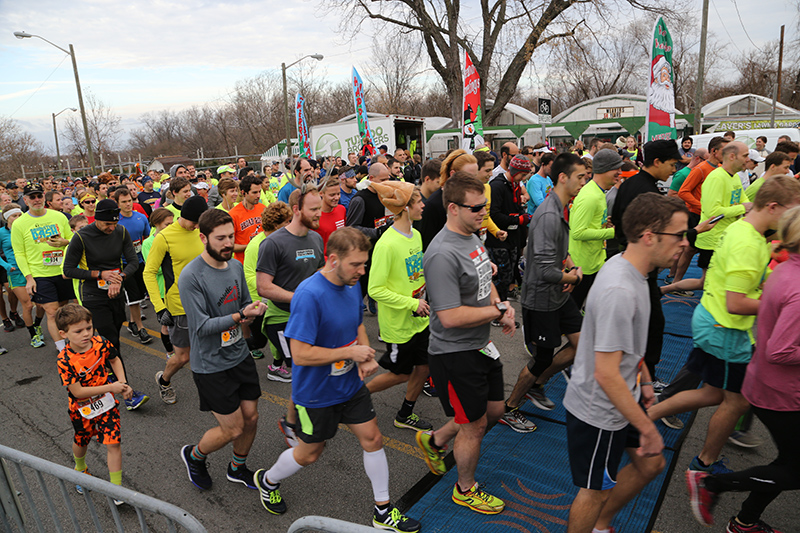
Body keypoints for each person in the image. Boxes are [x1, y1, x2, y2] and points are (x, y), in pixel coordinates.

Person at [253, 226, 420, 532]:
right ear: (332, 260)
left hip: (349, 385)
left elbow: (357, 323)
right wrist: (351, 352)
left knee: (373, 438)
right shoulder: (309, 294)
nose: (362, 270)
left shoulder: (351, 283)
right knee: (309, 454)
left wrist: (364, 354)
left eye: (364, 263)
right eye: (356, 264)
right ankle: (267, 479)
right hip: (315, 393)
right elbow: (300, 354)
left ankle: (382, 510)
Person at [648, 176, 800, 477]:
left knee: (713, 394)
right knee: (737, 401)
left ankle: (644, 417)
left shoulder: (745, 230)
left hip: (713, 320)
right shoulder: (748, 243)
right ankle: (703, 464)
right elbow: (737, 303)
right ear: (772, 207)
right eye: (791, 213)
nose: (793, 221)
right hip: (725, 327)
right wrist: (780, 300)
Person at [564, 193, 687, 533]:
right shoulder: (621, 288)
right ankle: (597, 520)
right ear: (649, 236)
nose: (684, 244)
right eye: (679, 235)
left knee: (651, 465)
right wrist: (648, 427)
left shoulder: (632, 270)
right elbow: (606, 373)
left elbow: (627, 346)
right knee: (594, 493)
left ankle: (601, 525)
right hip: (600, 410)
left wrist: (645, 380)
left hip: (625, 397)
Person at [688, 206, 800, 533]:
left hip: (767, 379)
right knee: (794, 468)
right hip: (779, 389)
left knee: (788, 462)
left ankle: (745, 521)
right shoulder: (790, 277)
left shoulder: (782, 267)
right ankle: (713, 484)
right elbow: (781, 349)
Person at [416, 172, 516, 515]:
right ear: (453, 208)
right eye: (476, 208)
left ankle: (437, 440)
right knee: (474, 425)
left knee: (494, 411)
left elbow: (485, 279)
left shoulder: (472, 236)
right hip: (454, 353)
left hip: (480, 345)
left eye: (485, 207)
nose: (482, 214)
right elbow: (449, 317)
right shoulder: (442, 253)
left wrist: (500, 308)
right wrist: (496, 310)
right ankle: (465, 488)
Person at [178, 209, 267, 492]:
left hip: (239, 355)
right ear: (203, 237)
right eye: (220, 238)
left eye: (231, 236)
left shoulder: (236, 267)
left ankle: (237, 468)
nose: (228, 243)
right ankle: (194, 455)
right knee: (233, 428)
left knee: (251, 418)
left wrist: (252, 312)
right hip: (211, 364)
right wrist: (240, 317)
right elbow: (201, 327)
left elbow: (243, 302)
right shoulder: (191, 276)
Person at [500, 154, 586, 432]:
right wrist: (570, 276)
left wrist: (572, 265)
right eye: (581, 177)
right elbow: (547, 271)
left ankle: (537, 384)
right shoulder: (548, 214)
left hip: (558, 295)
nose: (585, 182)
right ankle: (510, 406)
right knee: (542, 358)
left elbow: (559, 252)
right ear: (563, 178)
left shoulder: (560, 207)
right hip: (541, 299)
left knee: (582, 343)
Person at [62, 199, 149, 411]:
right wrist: (100, 274)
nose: (111, 228)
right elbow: (69, 270)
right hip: (92, 292)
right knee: (110, 341)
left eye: (114, 223)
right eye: (106, 224)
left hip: (116, 289)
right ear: (96, 219)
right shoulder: (81, 237)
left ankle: (100, 376)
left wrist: (118, 278)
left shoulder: (120, 232)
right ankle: (127, 392)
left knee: (113, 334)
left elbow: (133, 262)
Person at [610, 139, 682, 392]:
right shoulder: (644, 190)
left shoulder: (633, 184)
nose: (674, 170)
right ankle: (645, 377)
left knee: (646, 321)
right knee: (650, 323)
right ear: (657, 162)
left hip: (632, 260)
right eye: (672, 164)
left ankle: (643, 375)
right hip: (639, 266)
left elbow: (617, 220)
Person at [256, 186, 324, 444]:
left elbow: (319, 273)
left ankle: (293, 420)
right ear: (297, 210)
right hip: (283, 319)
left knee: (311, 371)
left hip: (312, 316)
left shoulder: (316, 238)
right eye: (314, 209)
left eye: (320, 208)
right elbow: (264, 287)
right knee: (303, 370)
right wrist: (300, 297)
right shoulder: (273, 243)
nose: (319, 213)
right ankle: (300, 425)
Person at [366, 181, 433, 432]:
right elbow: (375, 289)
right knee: (401, 373)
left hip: (421, 319)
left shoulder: (416, 234)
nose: (423, 206)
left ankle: (405, 414)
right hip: (399, 324)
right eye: (419, 202)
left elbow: (416, 274)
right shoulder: (387, 244)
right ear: (405, 208)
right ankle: (355, 396)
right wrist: (411, 303)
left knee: (425, 366)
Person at [56, 303, 132, 504]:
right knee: (82, 439)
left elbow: (114, 359)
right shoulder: (64, 359)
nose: (86, 334)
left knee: (113, 443)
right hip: (82, 409)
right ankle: (80, 468)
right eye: (78, 331)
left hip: (107, 404)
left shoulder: (100, 343)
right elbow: (78, 391)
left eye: (88, 328)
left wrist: (122, 382)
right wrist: (111, 387)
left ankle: (116, 490)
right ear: (64, 334)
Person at [143, 196, 208, 405]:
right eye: (194, 222)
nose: (197, 226)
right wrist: (159, 307)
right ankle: (164, 380)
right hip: (179, 306)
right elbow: (149, 273)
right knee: (182, 357)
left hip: (206, 303)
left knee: (211, 348)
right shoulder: (164, 237)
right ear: (185, 217)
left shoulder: (202, 231)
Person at [10, 182, 74, 351]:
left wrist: (64, 242)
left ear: (44, 197)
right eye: (32, 197)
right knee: (52, 312)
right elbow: (19, 253)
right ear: (25, 199)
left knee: (63, 310)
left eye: (39, 196)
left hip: (62, 271)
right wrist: (29, 278)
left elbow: (72, 240)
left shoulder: (59, 217)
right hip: (40, 274)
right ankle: (62, 349)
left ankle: (69, 341)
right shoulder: (19, 223)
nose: (36, 199)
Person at [569, 149, 621, 309]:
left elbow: (589, 224)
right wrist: (614, 233)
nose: (620, 172)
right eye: (616, 168)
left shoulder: (598, 192)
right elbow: (578, 232)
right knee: (571, 311)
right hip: (583, 265)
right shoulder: (590, 196)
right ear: (605, 169)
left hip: (594, 260)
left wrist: (604, 222)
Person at [243, 202, 292, 360]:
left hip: (278, 298)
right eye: (287, 222)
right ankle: (237, 348)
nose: (291, 225)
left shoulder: (283, 240)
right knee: (259, 341)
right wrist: (270, 287)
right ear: (276, 225)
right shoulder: (256, 245)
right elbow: (249, 275)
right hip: (260, 300)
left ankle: (278, 365)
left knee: (278, 335)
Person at [418, 150, 478, 251]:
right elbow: (428, 246)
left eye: (475, 177)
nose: (473, 182)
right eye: (468, 177)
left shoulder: (471, 199)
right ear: (453, 174)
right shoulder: (433, 205)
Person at [114, 188, 152, 345]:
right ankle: (140, 327)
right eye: (124, 202)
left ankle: (132, 322)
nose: (128, 204)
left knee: (140, 295)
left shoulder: (141, 217)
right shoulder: (116, 221)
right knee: (133, 297)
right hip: (124, 264)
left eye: (129, 200)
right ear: (118, 204)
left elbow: (147, 237)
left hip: (140, 261)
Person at [0, 203, 38, 348]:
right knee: (28, 304)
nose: (17, 218)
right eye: (14, 216)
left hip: (33, 269)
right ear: (6, 218)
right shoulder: (1, 233)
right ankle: (33, 335)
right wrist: (7, 266)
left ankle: (38, 325)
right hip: (15, 272)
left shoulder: (27, 228)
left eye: (19, 215)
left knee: (40, 304)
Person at [142, 208, 175, 359]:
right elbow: (155, 269)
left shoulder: (175, 237)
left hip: (177, 287)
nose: (171, 227)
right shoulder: (148, 243)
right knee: (166, 324)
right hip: (161, 289)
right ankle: (170, 353)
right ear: (156, 224)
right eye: (167, 224)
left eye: (172, 223)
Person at [229, 175, 265, 264]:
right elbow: (230, 246)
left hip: (263, 260)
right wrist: (251, 246)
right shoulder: (233, 214)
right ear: (244, 193)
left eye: (259, 192)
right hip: (244, 264)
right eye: (254, 192)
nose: (258, 195)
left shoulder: (263, 209)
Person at [316, 176, 346, 254]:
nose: (336, 198)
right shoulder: (315, 216)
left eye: (338, 194)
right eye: (332, 195)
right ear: (321, 193)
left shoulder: (341, 209)